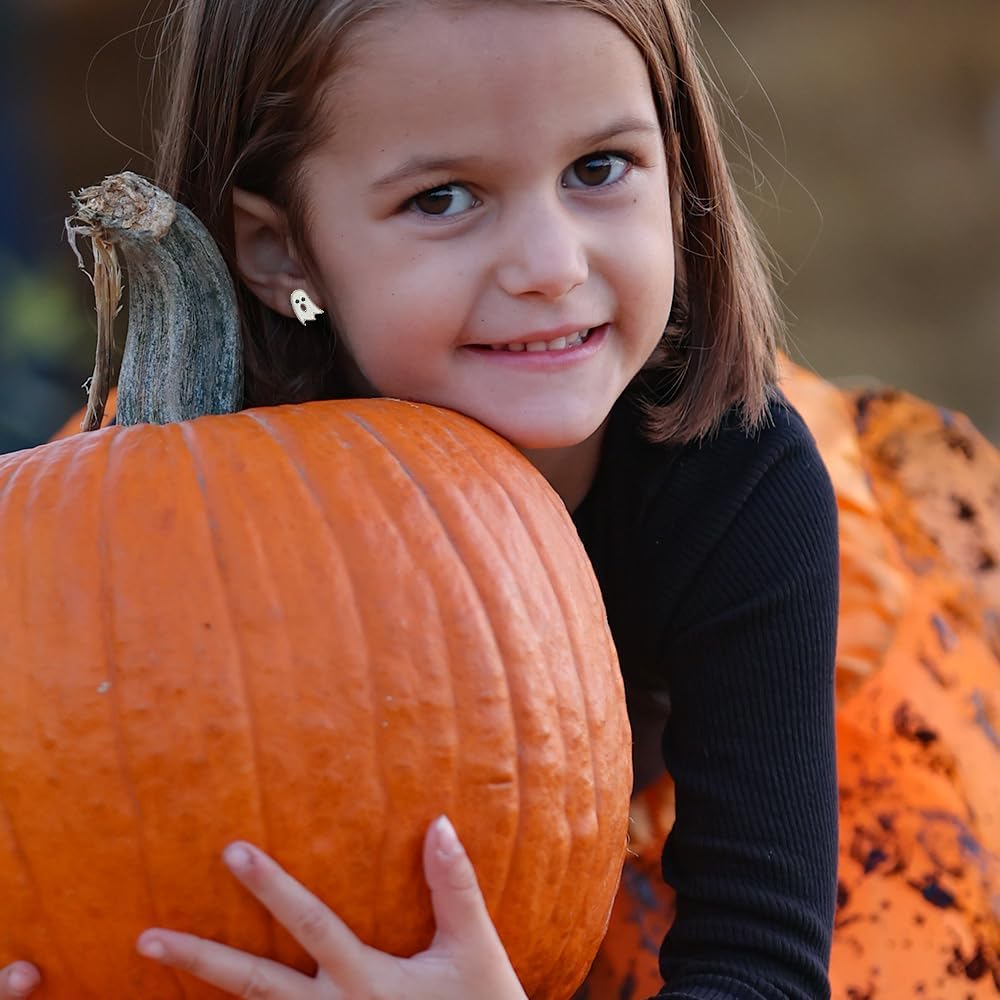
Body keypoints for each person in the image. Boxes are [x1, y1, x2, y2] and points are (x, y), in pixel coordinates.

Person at [0, 0, 839, 997]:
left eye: (598, 168)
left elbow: (760, 968)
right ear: (280, 253)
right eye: (444, 198)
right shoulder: (129, 517)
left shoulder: (735, 477)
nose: (549, 267)